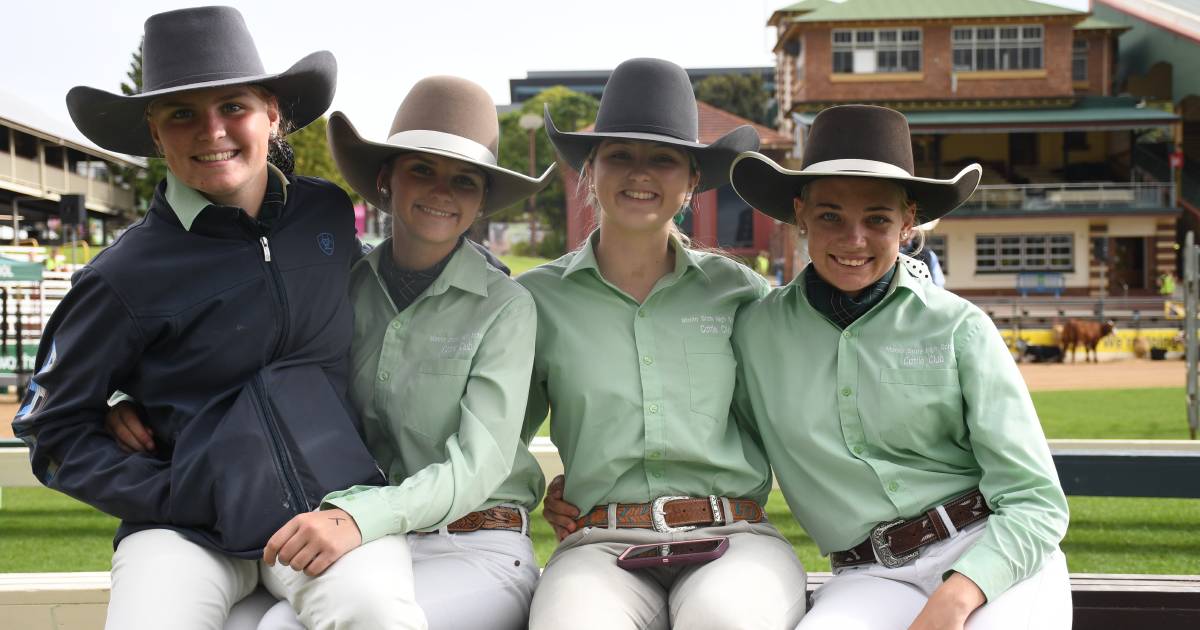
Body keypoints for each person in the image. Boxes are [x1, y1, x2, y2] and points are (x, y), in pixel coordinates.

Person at [11, 7, 386, 629]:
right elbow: (51, 428)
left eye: (232, 106)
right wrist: (176, 492)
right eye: (182, 112)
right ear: (156, 134)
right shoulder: (120, 276)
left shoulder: (323, 214)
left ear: (272, 114)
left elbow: (396, 285)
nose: (211, 130)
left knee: (377, 614)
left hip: (332, 510)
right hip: (183, 532)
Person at [727, 105, 1071, 629]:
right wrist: (595, 486)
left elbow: (1036, 499)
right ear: (800, 214)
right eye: (830, 216)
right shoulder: (754, 333)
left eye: (878, 219)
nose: (854, 239)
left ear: (909, 221)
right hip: (869, 575)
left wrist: (957, 599)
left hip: (991, 551)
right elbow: (709, 441)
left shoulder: (960, 327)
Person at [249, 76, 554, 630]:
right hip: (371, 541)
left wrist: (362, 517)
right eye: (422, 169)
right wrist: (128, 393)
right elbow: (239, 341)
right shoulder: (342, 286)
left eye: (464, 180)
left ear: (481, 198)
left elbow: (477, 464)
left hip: (477, 543)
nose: (442, 191)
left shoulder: (506, 307)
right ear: (386, 179)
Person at [520, 58, 808, 630]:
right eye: (620, 155)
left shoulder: (740, 294)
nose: (639, 174)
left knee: (726, 621)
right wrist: (543, 491)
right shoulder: (535, 300)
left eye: (663, 159)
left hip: (733, 533)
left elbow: (799, 415)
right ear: (590, 169)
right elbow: (498, 435)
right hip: (599, 543)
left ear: (692, 182)